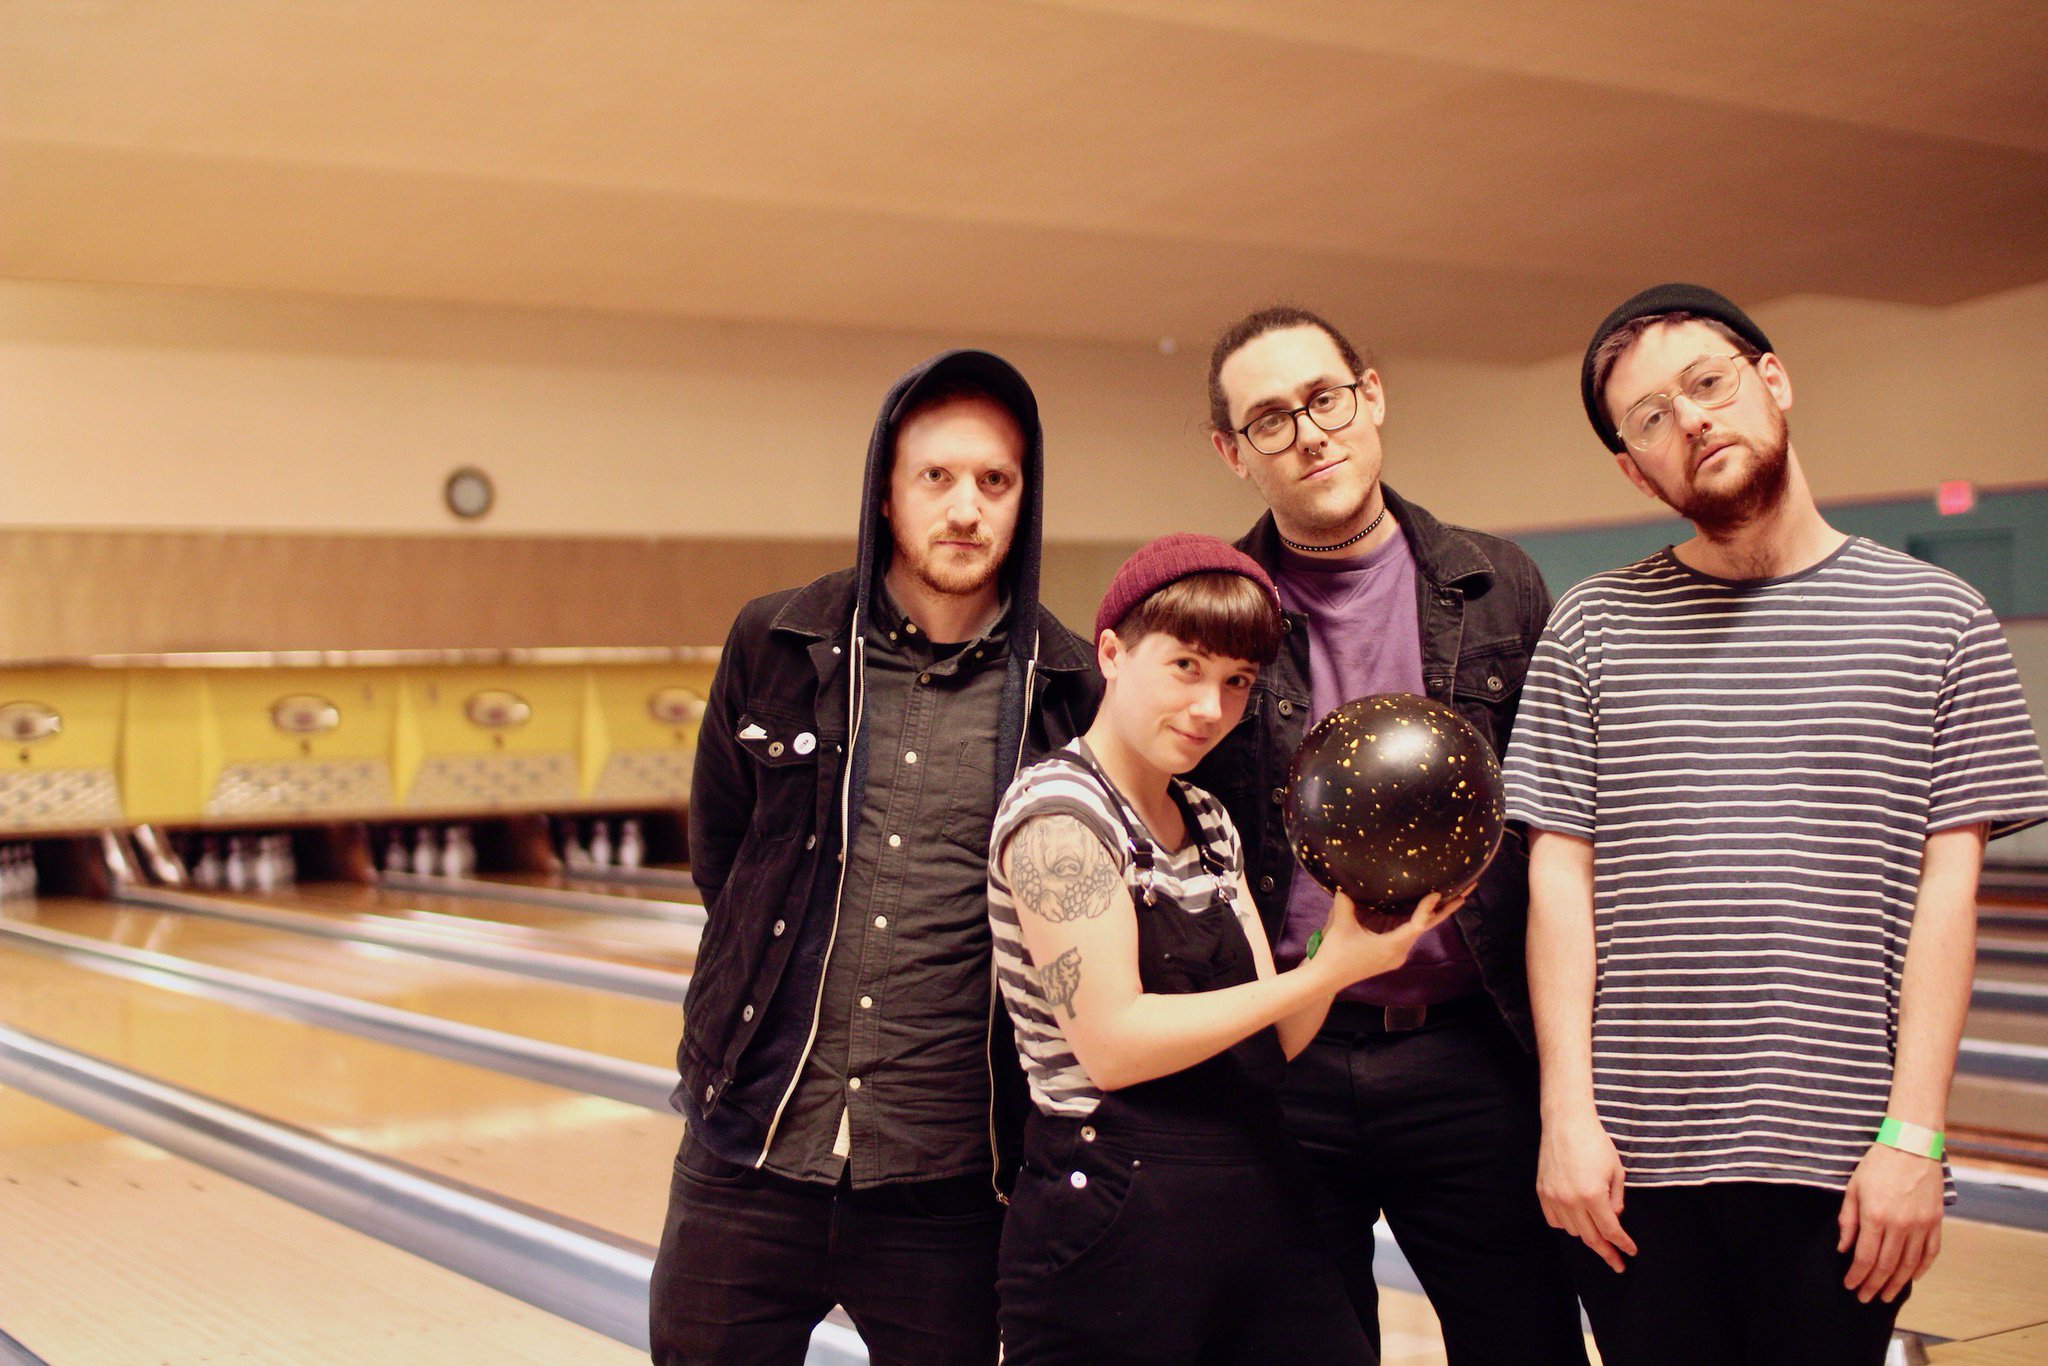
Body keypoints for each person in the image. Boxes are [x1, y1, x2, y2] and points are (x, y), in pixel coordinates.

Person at [1503, 283, 2048, 1365]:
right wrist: (1565, 1119)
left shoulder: (1939, 621)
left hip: (1848, 1165)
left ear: (1772, 380)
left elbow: (1947, 899)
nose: (1690, 419)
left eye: (1706, 383)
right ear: (1634, 470)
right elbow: (1558, 886)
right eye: (1650, 417)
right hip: (1630, 1170)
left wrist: (1913, 1137)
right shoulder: (1591, 628)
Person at [650, 349, 1100, 1365]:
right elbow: (723, 857)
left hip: (953, 1186)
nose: (965, 508)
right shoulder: (774, 641)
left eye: (994, 481)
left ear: (1023, 500)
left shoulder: (1068, 689)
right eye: (936, 476)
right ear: (887, 494)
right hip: (751, 1150)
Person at [1188, 306, 1588, 1362]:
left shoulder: (1497, 584)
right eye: (1269, 419)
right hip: (1285, 1053)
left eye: (1323, 398)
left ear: (1369, 396)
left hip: (1472, 1053)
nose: (1308, 433)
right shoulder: (1213, 610)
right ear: (1232, 452)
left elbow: (1557, 828)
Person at [989, 533, 1461, 1364]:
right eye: (1186, 667)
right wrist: (1329, 972)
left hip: (1254, 1191)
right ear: (1113, 654)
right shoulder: (1059, 814)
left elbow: (1275, 1039)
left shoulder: (1207, 821)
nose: (1211, 707)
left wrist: (1349, 932)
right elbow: (1114, 1045)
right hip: (1111, 1215)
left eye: (1237, 681)